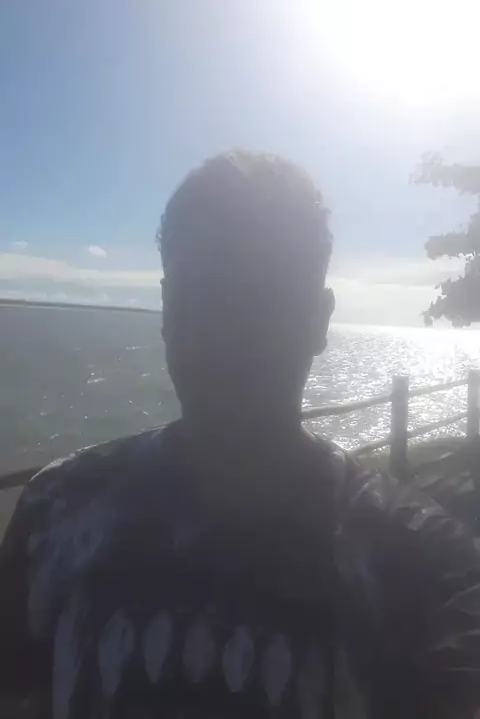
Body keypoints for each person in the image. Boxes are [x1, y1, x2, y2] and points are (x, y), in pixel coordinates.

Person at [1, 150, 480, 719]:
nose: (227, 333)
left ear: (318, 319)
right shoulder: (50, 514)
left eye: (261, 298)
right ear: (167, 310)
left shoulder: (428, 570)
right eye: (202, 295)